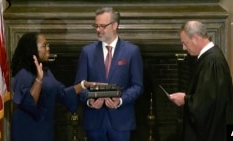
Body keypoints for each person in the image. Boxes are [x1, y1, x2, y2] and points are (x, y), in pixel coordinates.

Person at [10, 32, 98, 141]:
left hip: (44, 128)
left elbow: (62, 93)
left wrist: (84, 85)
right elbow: (30, 103)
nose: (48, 48)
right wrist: (39, 79)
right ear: (33, 50)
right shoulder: (23, 74)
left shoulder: (46, 72)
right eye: (44, 46)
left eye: (48, 45)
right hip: (27, 129)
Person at [75, 7, 143, 141]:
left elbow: (138, 86)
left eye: (102, 26)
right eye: (96, 26)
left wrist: (121, 100)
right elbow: (79, 85)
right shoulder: (87, 52)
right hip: (94, 121)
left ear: (115, 25)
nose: (98, 30)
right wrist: (89, 101)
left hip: (121, 121)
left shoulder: (132, 51)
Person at [169, 21, 233, 141]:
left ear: (195, 38)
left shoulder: (212, 61)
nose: (183, 48)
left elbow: (207, 103)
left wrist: (185, 99)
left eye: (185, 43)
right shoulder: (209, 58)